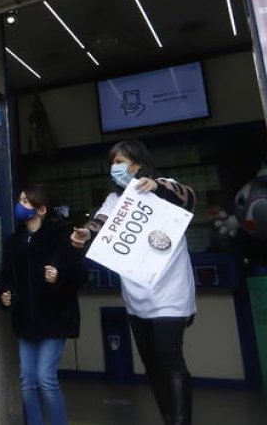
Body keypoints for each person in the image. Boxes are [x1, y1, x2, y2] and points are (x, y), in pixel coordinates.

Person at [72, 140, 196, 425]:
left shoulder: (165, 189)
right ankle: (168, 417)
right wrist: (85, 234)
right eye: (112, 163)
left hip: (171, 294)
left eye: (120, 161)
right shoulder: (115, 200)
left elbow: (188, 198)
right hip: (136, 298)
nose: (114, 168)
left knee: (170, 360)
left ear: (137, 164)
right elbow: (100, 222)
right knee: (152, 365)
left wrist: (157, 186)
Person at [0, 187, 86, 425]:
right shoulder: (14, 241)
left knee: (45, 378)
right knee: (27, 381)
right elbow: (6, 276)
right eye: (20, 200)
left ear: (42, 209)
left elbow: (80, 275)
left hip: (55, 318)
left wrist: (60, 276)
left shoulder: (60, 236)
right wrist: (5, 295)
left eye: (26, 201)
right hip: (25, 320)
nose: (20, 205)